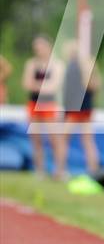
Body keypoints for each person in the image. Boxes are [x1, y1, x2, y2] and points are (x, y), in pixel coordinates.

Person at [58, 40, 101, 178]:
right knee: (85, 140)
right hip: (78, 106)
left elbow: (91, 85)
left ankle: (62, 170)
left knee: (67, 138)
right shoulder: (74, 64)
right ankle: (91, 170)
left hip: (80, 107)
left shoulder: (85, 63)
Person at [22, 35, 63, 178]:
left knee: (54, 139)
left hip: (49, 105)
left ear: (48, 47)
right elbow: (26, 84)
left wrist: (36, 85)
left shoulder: (56, 64)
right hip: (33, 104)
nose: (38, 51)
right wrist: (42, 86)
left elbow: (53, 88)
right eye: (36, 48)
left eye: (40, 47)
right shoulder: (31, 63)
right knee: (36, 138)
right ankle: (40, 170)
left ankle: (59, 170)